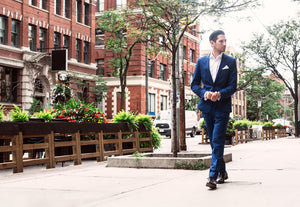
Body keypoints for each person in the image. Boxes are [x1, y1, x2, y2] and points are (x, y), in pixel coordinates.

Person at [191, 30, 237, 190]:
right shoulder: (201, 61)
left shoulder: (230, 62)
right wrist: (205, 93)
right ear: (212, 43)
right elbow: (194, 84)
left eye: (225, 41)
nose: (224, 44)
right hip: (207, 108)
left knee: (217, 140)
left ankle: (212, 175)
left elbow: (233, 86)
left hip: (222, 108)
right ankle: (222, 171)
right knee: (214, 142)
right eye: (221, 41)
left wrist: (220, 94)